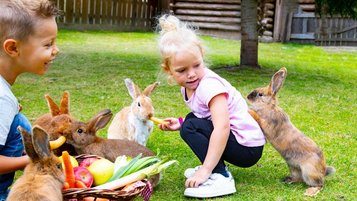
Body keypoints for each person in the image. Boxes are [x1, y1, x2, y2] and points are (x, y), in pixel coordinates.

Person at [157, 15, 266, 198]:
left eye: (197, 65)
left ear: (202, 57)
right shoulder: (190, 87)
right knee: (189, 121)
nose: (191, 74)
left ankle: (220, 175)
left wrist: (205, 170)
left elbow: (222, 127)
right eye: (182, 70)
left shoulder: (209, 86)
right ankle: (214, 167)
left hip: (247, 147)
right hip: (236, 139)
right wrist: (180, 122)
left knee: (190, 127)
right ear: (169, 70)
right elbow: (203, 115)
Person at [0, 0, 60, 199]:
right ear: (13, 48)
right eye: (48, 44)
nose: (56, 50)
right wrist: (31, 161)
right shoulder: (2, 98)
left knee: (17, 121)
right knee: (20, 124)